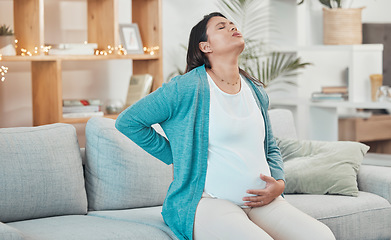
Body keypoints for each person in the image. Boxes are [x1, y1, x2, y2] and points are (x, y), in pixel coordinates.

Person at [115, 12, 336, 240]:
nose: (232, 27)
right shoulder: (186, 88)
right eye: (221, 27)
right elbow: (129, 122)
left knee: (322, 236)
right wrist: (175, 154)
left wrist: (279, 182)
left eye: (232, 24)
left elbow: (269, 145)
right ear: (205, 46)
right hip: (207, 202)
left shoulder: (255, 89)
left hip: (261, 201)